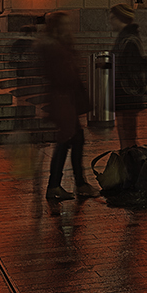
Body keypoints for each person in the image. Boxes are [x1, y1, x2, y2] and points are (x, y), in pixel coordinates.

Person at [37, 12, 99, 201]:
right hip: (63, 100)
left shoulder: (60, 45)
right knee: (65, 140)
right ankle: (55, 186)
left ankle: (78, 183)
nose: (68, 27)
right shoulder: (53, 47)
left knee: (77, 139)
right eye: (64, 24)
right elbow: (61, 75)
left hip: (67, 99)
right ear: (57, 27)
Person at [110, 3, 147, 148]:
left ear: (121, 18)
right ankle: (130, 166)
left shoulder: (129, 40)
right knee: (126, 138)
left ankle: (134, 168)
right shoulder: (125, 38)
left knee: (128, 139)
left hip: (127, 98)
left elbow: (133, 71)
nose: (110, 20)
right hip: (124, 98)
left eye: (113, 17)